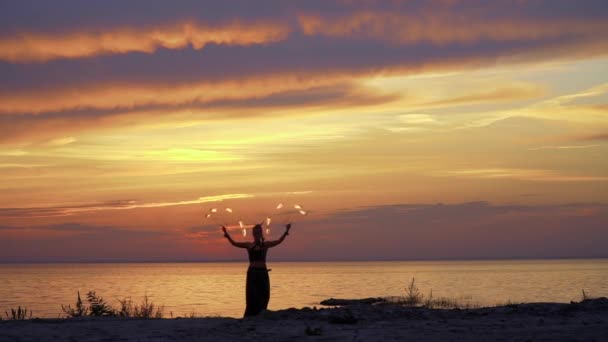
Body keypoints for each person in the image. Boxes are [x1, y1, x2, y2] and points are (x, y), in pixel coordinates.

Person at [222, 222, 291, 317]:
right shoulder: (249, 245)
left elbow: (278, 241)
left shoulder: (265, 245)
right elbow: (234, 243)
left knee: (264, 295)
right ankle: (250, 316)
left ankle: (261, 314)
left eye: (259, 232)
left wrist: (286, 231)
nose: (257, 234)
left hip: (263, 273)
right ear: (253, 234)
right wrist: (227, 235)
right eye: (255, 232)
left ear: (261, 233)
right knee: (252, 296)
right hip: (253, 273)